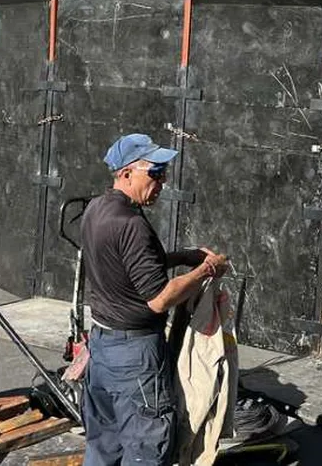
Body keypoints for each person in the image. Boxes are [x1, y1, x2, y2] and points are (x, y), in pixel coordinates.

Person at [82, 133, 230, 466]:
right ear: (126, 173)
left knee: (103, 447)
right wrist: (206, 269)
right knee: (146, 451)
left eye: (164, 173)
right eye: (155, 172)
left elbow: (131, 264)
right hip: (135, 358)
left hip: (102, 350)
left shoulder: (97, 209)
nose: (162, 182)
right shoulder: (132, 224)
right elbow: (160, 300)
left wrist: (185, 256)